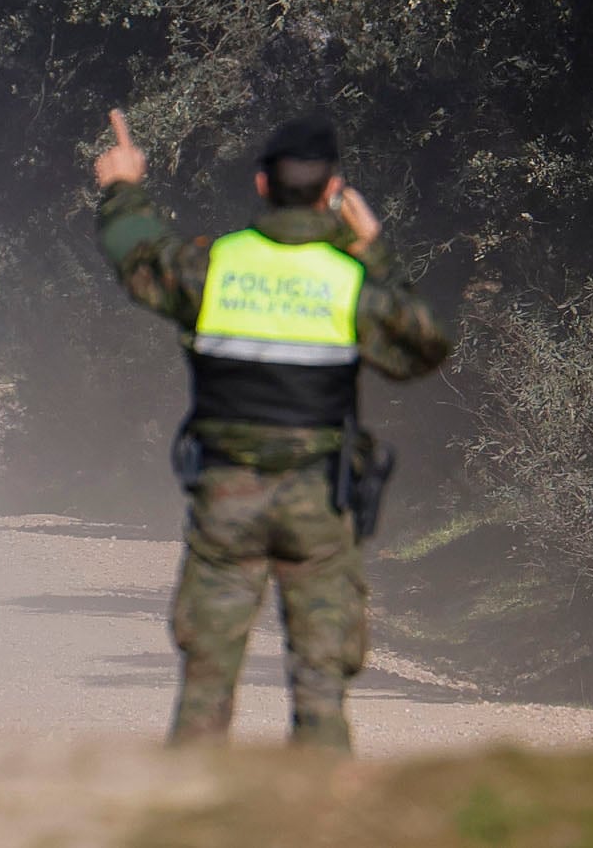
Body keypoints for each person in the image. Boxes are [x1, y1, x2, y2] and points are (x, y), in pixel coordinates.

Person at [92, 109, 453, 751]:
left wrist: (124, 183)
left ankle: (190, 818)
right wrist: (372, 248)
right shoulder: (350, 283)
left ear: (261, 184)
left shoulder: (216, 267)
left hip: (226, 498)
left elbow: (137, 257)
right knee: (320, 685)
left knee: (205, 681)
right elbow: (424, 345)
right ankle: (313, 823)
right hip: (318, 504)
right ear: (333, 191)